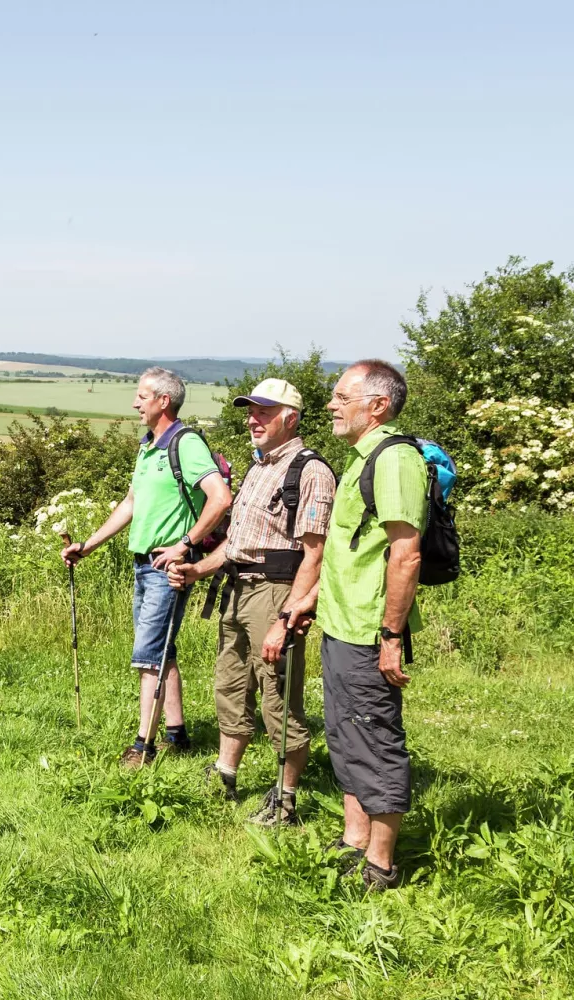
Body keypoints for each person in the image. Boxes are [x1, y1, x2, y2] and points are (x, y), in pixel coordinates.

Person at [166, 378, 334, 825]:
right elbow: (238, 544)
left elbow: (316, 554)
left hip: (277, 593)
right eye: (250, 411)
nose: (252, 419)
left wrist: (288, 616)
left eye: (263, 411)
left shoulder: (309, 470)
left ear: (290, 418)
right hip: (238, 593)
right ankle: (225, 773)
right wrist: (197, 569)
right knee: (231, 686)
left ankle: (285, 799)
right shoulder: (260, 467)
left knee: (277, 695)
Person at [62, 367, 233, 767]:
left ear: (164, 401)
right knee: (162, 651)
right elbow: (131, 504)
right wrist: (87, 545)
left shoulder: (186, 444)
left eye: (142, 396)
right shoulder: (148, 446)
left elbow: (220, 497)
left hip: (167, 567)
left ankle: (143, 746)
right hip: (144, 565)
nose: (135, 403)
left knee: (148, 655)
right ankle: (177, 733)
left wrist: (185, 545)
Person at [315, 359, 427, 891]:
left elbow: (406, 554)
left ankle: (381, 865)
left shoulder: (394, 459)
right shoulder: (362, 459)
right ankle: (354, 838)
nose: (332, 405)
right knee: (344, 734)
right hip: (341, 622)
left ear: (377, 405)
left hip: (367, 630)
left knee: (375, 739)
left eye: (342, 396)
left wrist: (390, 637)